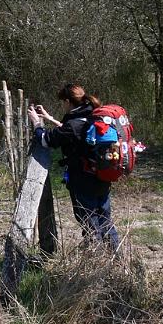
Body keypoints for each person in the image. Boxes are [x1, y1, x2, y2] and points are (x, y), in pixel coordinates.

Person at [27, 84, 119, 250]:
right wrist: (50, 118)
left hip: (83, 180)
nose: (63, 106)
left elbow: (46, 140)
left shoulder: (74, 124)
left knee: (89, 221)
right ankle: (115, 258)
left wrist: (36, 123)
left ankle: (95, 263)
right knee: (104, 219)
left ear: (68, 102)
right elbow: (74, 132)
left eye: (63, 102)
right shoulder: (93, 115)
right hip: (102, 175)